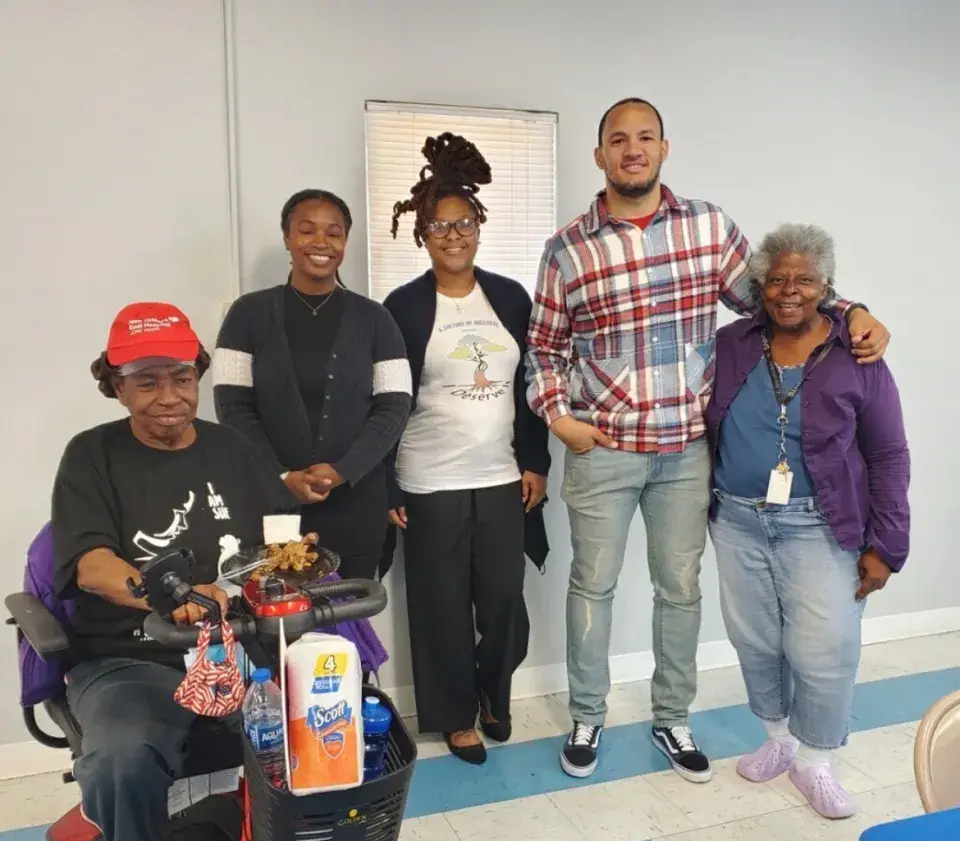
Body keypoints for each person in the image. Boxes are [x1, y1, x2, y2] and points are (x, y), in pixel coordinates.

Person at [525, 97, 892, 783]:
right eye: (617, 139)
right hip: (601, 448)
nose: (631, 149)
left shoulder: (709, 227)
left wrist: (851, 308)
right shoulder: (567, 248)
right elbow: (543, 348)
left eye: (644, 138)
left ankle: (672, 719)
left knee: (680, 590)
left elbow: (780, 298)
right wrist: (558, 416)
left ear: (664, 148)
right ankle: (587, 716)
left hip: (687, 452)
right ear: (599, 155)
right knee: (591, 586)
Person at [52, 302, 298, 841]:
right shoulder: (91, 455)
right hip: (130, 658)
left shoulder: (233, 449)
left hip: (239, 646)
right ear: (116, 386)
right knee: (121, 759)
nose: (169, 395)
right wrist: (167, 595)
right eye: (147, 381)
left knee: (331, 714)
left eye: (182, 377)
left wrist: (294, 561)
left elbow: (279, 539)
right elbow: (90, 565)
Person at [707, 224, 910, 818]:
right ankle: (778, 740)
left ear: (827, 288)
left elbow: (888, 454)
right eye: (776, 279)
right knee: (756, 639)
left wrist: (888, 545)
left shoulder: (859, 352)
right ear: (758, 287)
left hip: (822, 524)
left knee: (825, 647)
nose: (789, 290)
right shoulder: (733, 343)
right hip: (737, 520)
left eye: (804, 279)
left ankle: (816, 761)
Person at [382, 133, 551, 764]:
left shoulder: (508, 298)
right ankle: (455, 717)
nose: (453, 236)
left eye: (463, 223)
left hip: (502, 478)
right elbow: (385, 406)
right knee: (442, 608)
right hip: (428, 482)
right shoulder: (401, 308)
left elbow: (531, 384)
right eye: (437, 226)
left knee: (504, 599)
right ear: (422, 234)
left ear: (478, 225)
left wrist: (535, 460)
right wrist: (387, 486)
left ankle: (493, 692)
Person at [213, 189, 412, 581]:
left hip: (356, 502)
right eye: (307, 231)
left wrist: (341, 471)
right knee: (279, 620)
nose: (321, 243)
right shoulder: (246, 315)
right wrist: (282, 476)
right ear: (287, 238)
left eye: (334, 233)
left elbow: (395, 406)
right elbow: (231, 406)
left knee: (350, 617)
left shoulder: (376, 319)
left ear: (345, 243)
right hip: (273, 501)